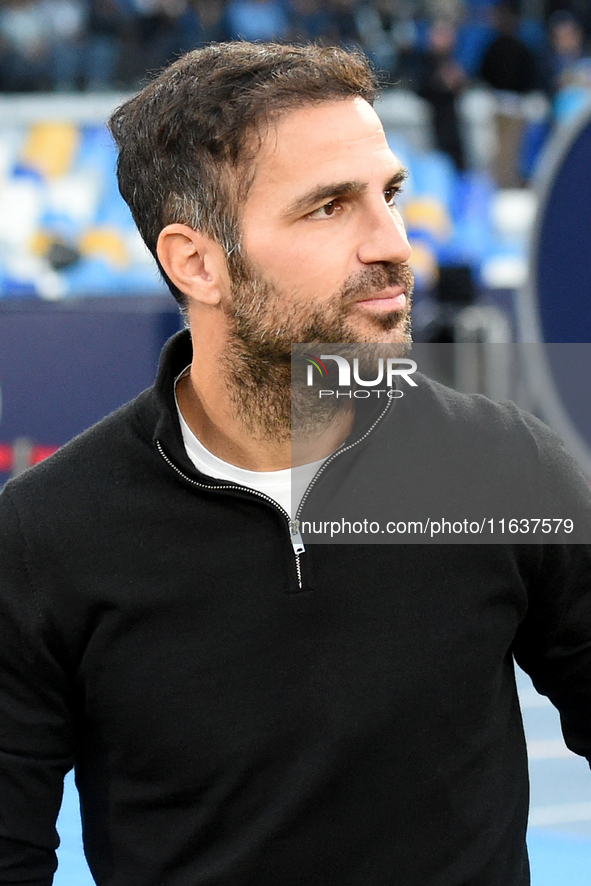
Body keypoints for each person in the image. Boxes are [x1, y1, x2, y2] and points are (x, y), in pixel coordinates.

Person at [0, 41, 590, 886]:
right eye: (328, 209)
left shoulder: (505, 467)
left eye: (389, 195)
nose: (392, 244)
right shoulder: (46, 532)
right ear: (195, 261)